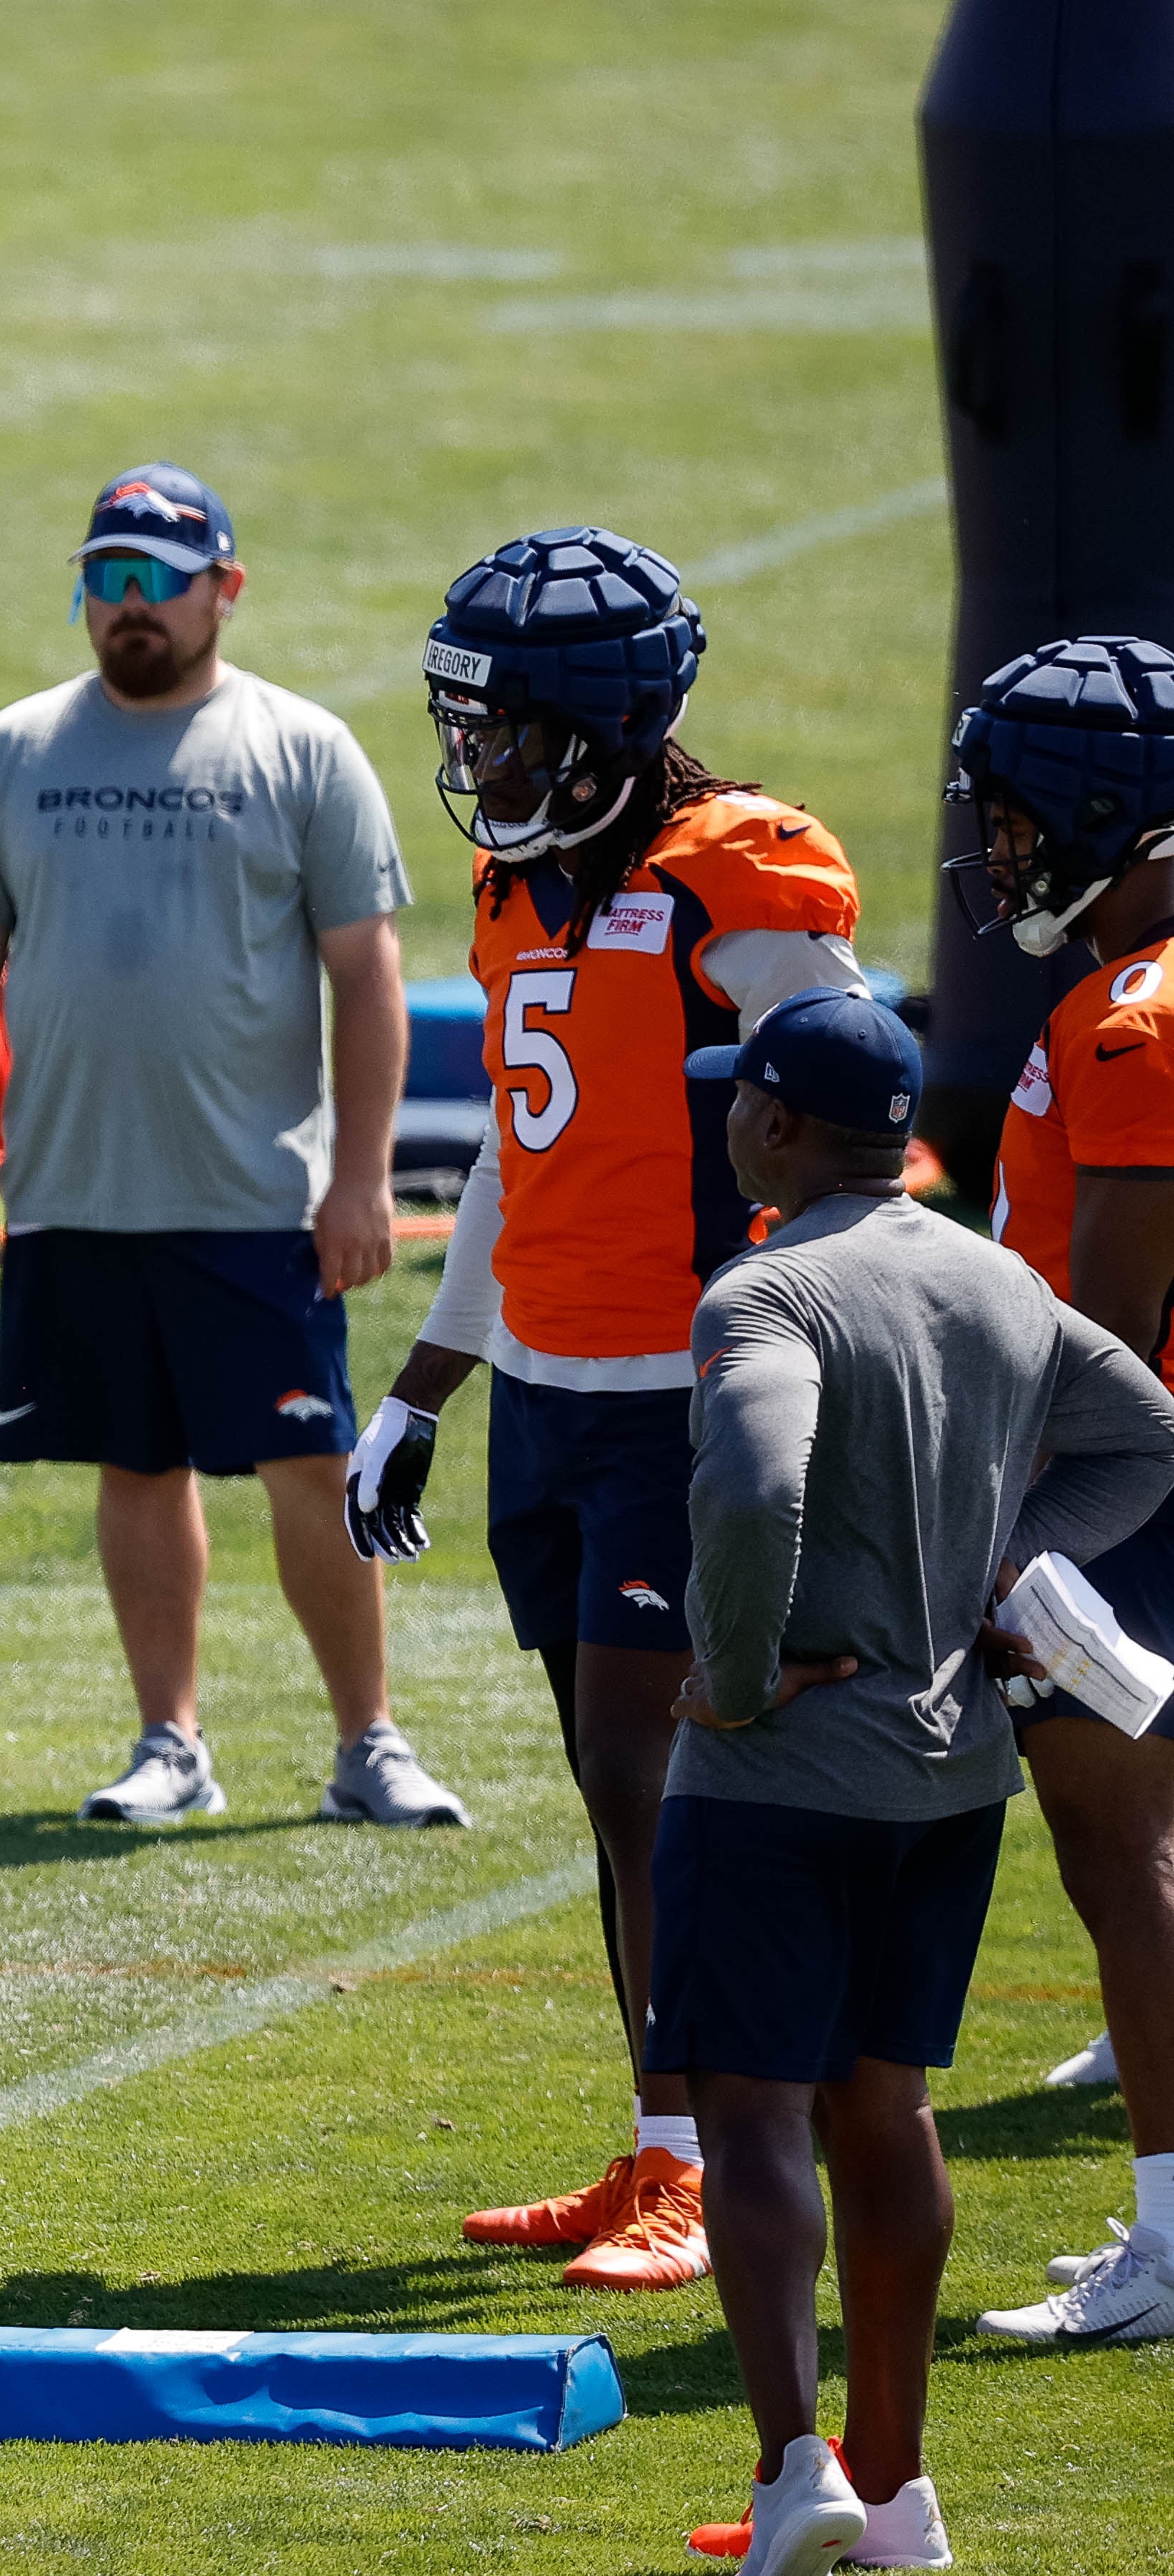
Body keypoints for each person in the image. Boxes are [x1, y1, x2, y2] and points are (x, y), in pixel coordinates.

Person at [350, 528, 863, 2296]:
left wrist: (791, 1365)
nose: (474, 759)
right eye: (463, 724)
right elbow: (521, 1145)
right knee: (612, 1781)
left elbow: (854, 1133)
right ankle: (664, 2140)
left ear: (596, 725)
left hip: (695, 1395)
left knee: (666, 1784)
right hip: (559, 1393)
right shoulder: (523, 890)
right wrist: (430, 1378)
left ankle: (721, 2159)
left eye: (501, 728)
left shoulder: (737, 877)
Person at [661, 986, 1174, 2575]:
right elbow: (1149, 1429)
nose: (727, 1114)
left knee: (750, 2113)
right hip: (950, 1776)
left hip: (777, 1772)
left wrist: (736, 1676)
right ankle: (898, 2489)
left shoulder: (766, 1291)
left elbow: (752, 1485)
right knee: (889, 2111)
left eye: (739, 1095)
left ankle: (791, 2462)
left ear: (781, 1124)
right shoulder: (999, 1282)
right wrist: (1013, 1565)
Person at [0, 463, 464, 1833]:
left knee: (308, 1464)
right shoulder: (12, 751)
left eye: (155, 581)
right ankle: (170, 1741)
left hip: (258, 1194)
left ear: (224, 588)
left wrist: (357, 1176)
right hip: (72, 1190)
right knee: (133, 1464)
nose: (128, 608)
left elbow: (368, 976)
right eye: (104, 580)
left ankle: (368, 1744)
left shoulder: (302, 748)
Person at [945, 635, 1174, 2347]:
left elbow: (1106, 1328)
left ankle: (1173, 2236)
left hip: (1130, 1491)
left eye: (1021, 818)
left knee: (1123, 1853)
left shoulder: (1129, 1018)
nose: (999, 852)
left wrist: (1002, 1518)